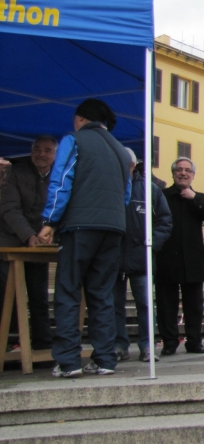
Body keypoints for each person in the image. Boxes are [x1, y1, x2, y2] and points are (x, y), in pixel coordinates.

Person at [38, 99, 132, 377]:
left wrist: (49, 221)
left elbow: (61, 181)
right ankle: (105, 359)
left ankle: (68, 361)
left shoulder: (74, 140)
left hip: (80, 225)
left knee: (68, 291)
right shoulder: (122, 152)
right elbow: (125, 195)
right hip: (114, 227)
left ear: (80, 119)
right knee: (102, 294)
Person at [114, 148, 173, 363]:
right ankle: (119, 345)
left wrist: (152, 245)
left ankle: (147, 346)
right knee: (114, 306)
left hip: (142, 258)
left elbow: (165, 221)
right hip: (114, 257)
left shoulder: (150, 190)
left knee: (146, 305)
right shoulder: (110, 188)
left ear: (132, 165)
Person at [156, 157, 204, 356]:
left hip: (192, 258)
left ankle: (194, 341)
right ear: (173, 173)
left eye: (187, 170)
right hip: (167, 257)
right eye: (179, 170)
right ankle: (169, 342)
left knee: (194, 305)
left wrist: (195, 199)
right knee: (167, 304)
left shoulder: (200, 197)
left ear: (193, 175)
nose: (183, 173)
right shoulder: (162, 196)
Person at [0, 136, 58, 351]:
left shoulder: (58, 178)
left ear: (54, 155)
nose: (41, 154)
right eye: (37, 149)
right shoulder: (16, 172)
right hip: (10, 241)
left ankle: (42, 343)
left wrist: (50, 232)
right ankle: (10, 342)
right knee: (8, 294)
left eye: (47, 150)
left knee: (38, 295)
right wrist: (28, 236)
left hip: (39, 246)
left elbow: (58, 209)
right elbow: (9, 209)